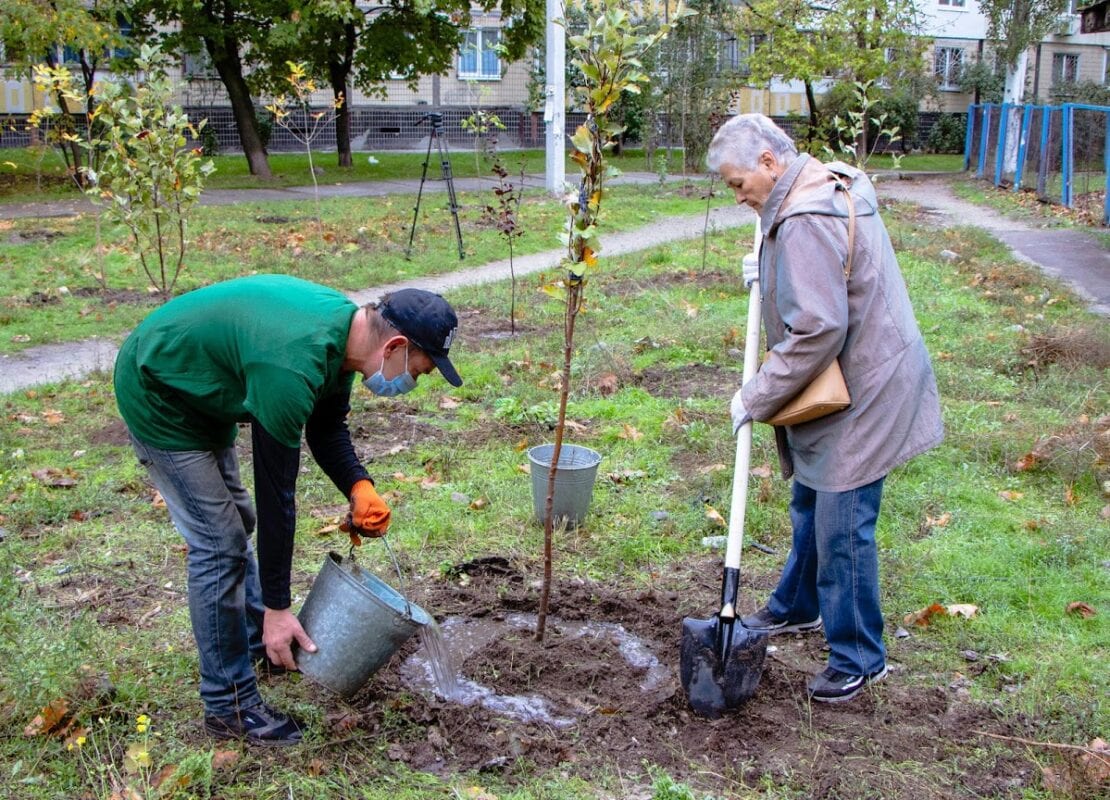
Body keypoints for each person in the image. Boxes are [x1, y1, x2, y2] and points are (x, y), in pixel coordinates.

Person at [114, 275, 462, 744]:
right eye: (418, 371)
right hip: (161, 391)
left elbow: (327, 426)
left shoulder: (344, 340)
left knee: (238, 523)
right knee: (220, 544)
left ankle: (257, 640)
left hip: (205, 385)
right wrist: (280, 607)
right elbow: (278, 494)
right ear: (396, 345)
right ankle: (229, 705)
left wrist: (360, 487)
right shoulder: (291, 366)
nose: (413, 383)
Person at [706, 114, 943, 703]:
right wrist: (771, 263)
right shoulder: (822, 180)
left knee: (843, 521)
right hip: (862, 366)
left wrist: (754, 394)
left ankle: (860, 656)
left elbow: (818, 328)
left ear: (768, 161)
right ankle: (798, 605)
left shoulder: (807, 215)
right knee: (810, 495)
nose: (737, 197)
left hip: (867, 385)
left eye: (738, 184)